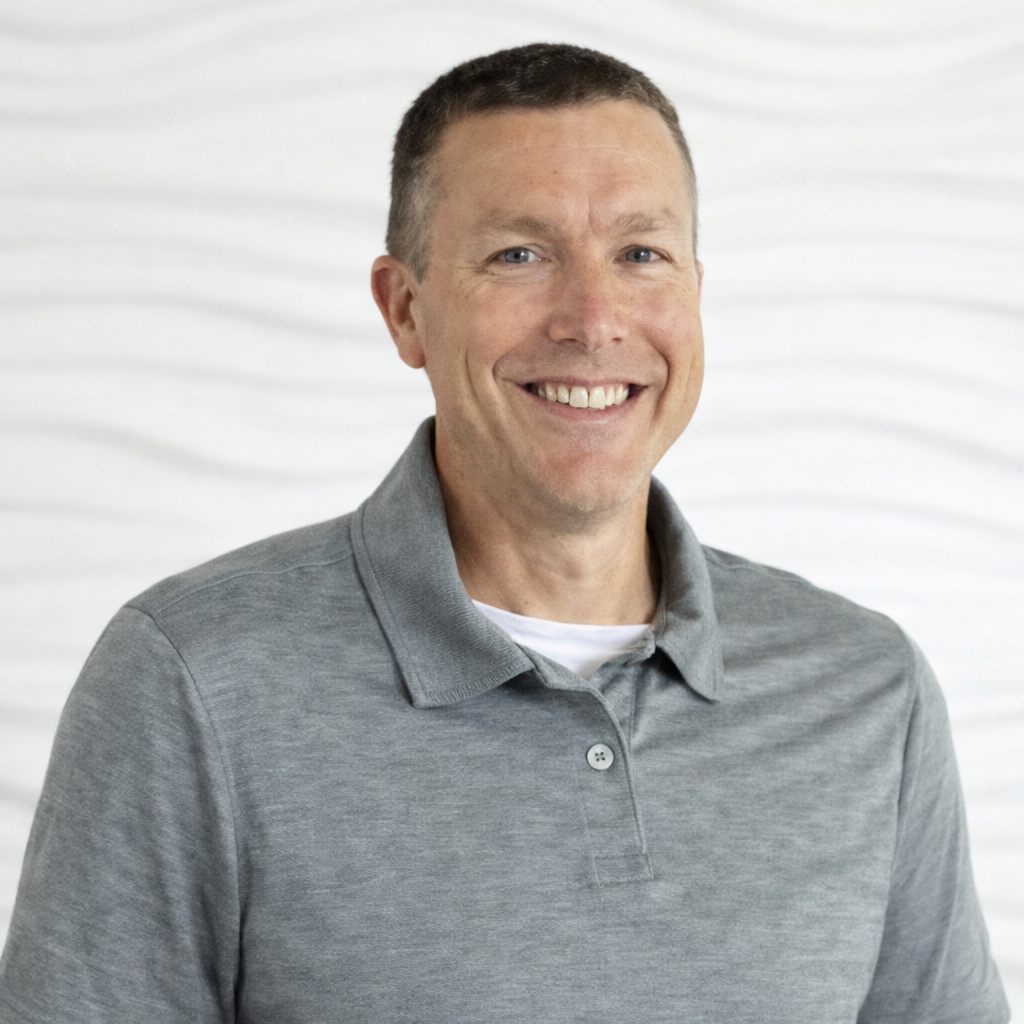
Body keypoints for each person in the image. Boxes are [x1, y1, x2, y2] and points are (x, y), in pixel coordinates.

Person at [0, 42, 1010, 1024]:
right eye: (519, 254)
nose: (592, 315)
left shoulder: (868, 690)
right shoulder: (194, 680)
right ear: (405, 311)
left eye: (641, 253)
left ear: (695, 297)